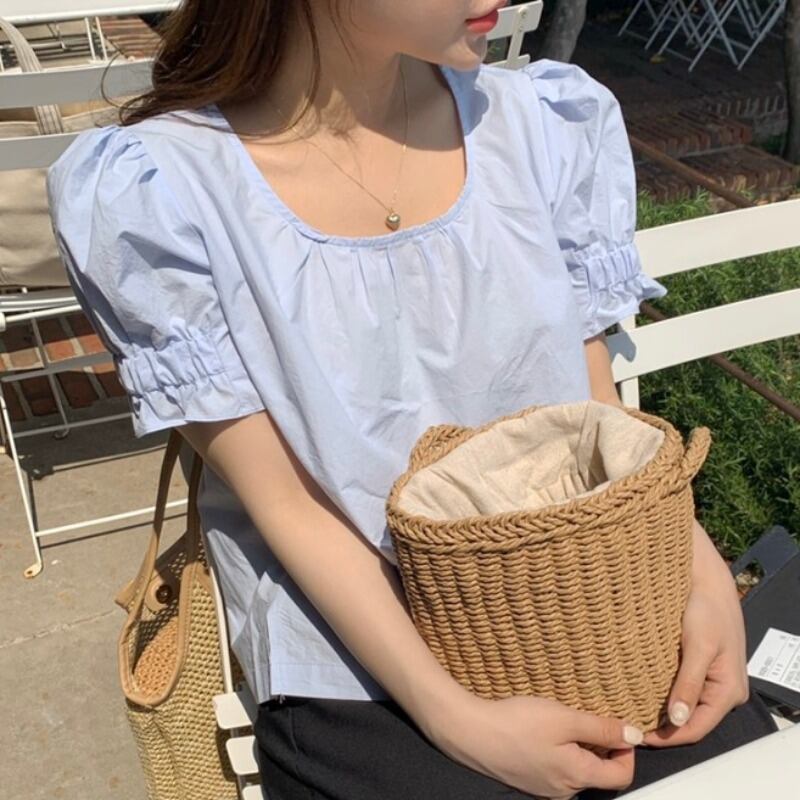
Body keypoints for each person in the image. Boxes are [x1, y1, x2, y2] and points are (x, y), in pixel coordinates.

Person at [46, 1, 777, 797]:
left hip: (590, 602)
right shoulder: (162, 195)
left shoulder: (540, 125)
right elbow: (290, 506)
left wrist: (697, 574)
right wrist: (455, 718)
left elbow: (602, 425)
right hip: (362, 663)